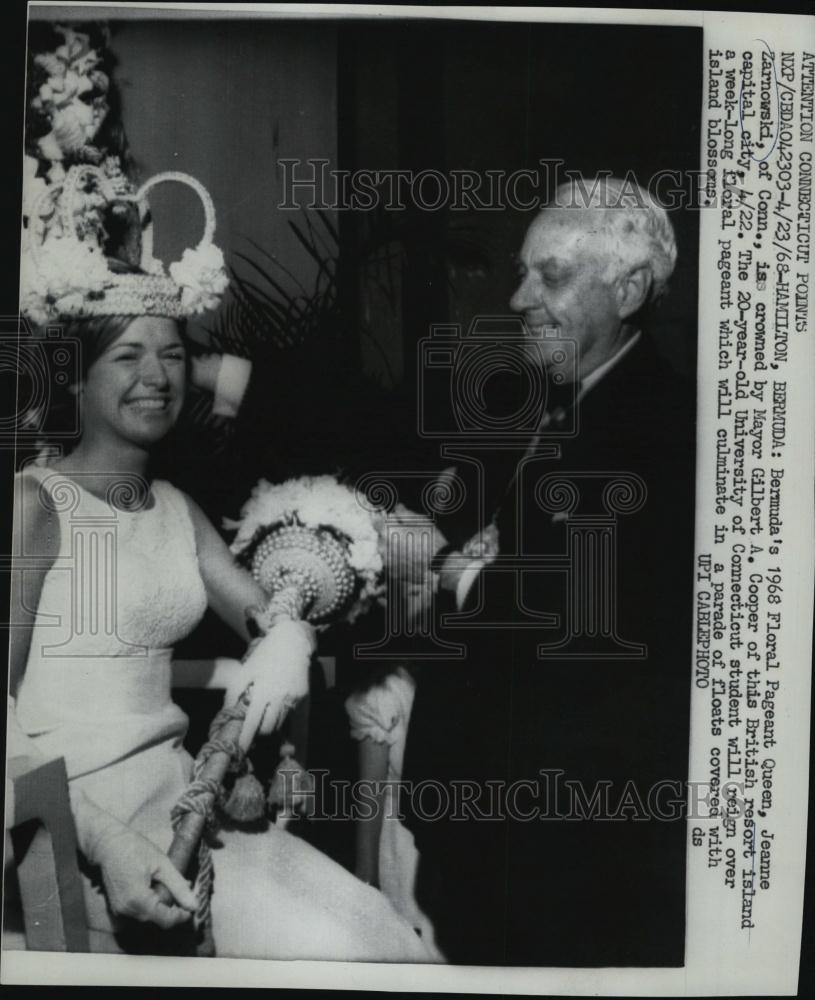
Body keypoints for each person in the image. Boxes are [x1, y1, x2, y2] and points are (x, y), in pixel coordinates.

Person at [7, 160, 438, 963]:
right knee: (329, 950)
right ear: (79, 375)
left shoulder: (176, 506)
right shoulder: (35, 503)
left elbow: (266, 610)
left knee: (373, 929)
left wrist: (289, 637)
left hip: (184, 802)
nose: (157, 376)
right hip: (61, 821)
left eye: (172, 354)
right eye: (127, 356)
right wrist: (100, 842)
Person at [402, 177, 696, 966]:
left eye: (551, 276)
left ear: (630, 288)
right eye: (522, 271)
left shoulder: (664, 428)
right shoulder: (542, 394)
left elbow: (570, 606)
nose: (520, 296)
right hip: (485, 839)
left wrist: (451, 574)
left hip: (568, 851)